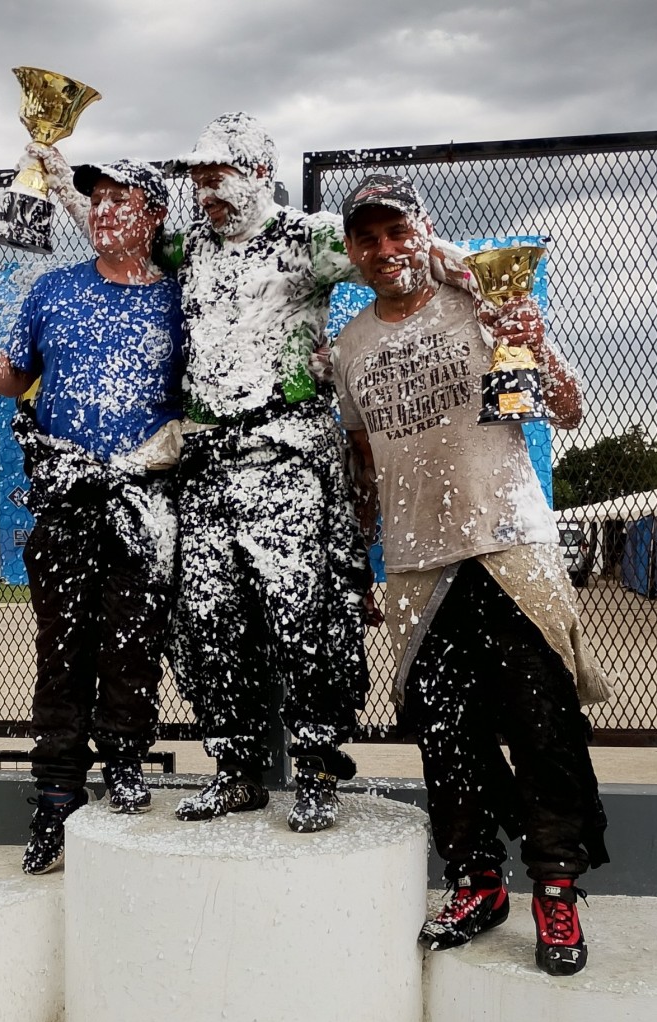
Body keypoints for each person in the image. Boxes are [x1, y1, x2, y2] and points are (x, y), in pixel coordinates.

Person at [31, 113, 469, 834]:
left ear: (260, 173)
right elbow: (126, 232)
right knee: (207, 619)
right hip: (206, 461)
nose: (208, 193)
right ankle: (234, 768)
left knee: (303, 618)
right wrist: (59, 177)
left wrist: (493, 283)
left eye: (219, 177)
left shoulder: (308, 237)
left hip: (286, 455)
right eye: (199, 180)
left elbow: (404, 254)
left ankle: (319, 769)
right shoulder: (191, 244)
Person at [332, 171, 611, 975]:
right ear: (352, 251)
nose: (386, 250)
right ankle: (477, 879)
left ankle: (556, 891)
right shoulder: (352, 346)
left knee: (542, 723)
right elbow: (361, 456)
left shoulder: (480, 305)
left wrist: (531, 333)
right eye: (369, 238)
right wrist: (362, 546)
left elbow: (568, 408)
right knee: (447, 733)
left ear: (423, 230)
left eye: (398, 232)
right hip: (419, 561)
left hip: (508, 544)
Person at [0, 159, 184, 874]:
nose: (106, 211)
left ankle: (126, 769)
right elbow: (14, 375)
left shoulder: (179, 301)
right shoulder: (53, 290)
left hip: (145, 501)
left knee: (133, 645)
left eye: (122, 200)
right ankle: (54, 797)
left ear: (155, 218)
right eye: (98, 200)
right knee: (63, 651)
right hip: (65, 499)